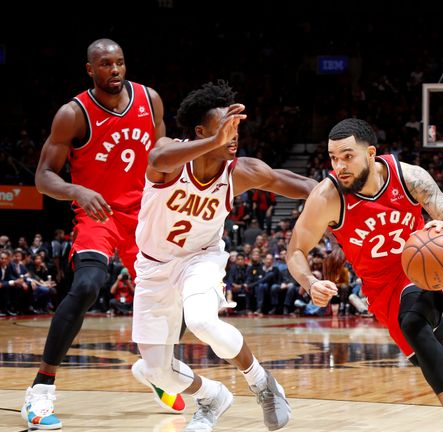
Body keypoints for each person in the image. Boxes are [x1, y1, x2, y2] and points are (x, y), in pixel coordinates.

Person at [287, 118, 443, 432]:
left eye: (348, 156)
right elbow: (295, 250)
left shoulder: (409, 178)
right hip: (380, 293)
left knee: (414, 322)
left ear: (370, 153)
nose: (340, 165)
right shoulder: (327, 197)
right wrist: (310, 282)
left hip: (422, 272)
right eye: (333, 157)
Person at [130, 80, 315, 431]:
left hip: (200, 259)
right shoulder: (170, 155)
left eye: (235, 129)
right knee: (156, 371)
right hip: (153, 267)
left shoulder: (240, 172)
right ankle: (212, 396)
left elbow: (297, 184)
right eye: (223, 129)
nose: (232, 136)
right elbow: (155, 158)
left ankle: (263, 384)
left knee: (200, 320)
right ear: (201, 131)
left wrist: (348, 195)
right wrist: (213, 142)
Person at [24, 38, 178, 429]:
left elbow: (160, 155)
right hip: (99, 215)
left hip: (144, 216)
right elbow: (43, 177)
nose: (116, 70)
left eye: (120, 63)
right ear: (90, 70)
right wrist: (76, 190)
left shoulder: (150, 99)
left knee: (179, 298)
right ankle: (40, 390)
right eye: (106, 64)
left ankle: (154, 369)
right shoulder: (72, 114)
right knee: (89, 285)